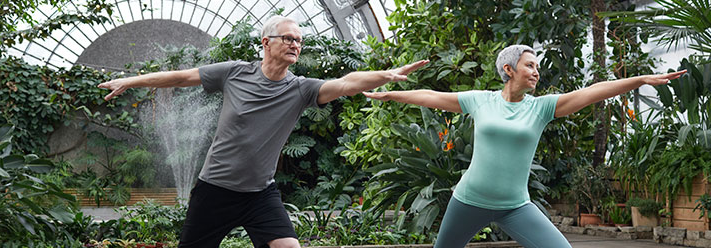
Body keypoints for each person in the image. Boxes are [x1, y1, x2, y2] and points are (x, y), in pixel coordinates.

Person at [97, 15, 428, 248]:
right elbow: (181, 77)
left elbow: (346, 83)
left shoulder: (301, 89)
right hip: (215, 191)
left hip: (260, 194)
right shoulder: (235, 73)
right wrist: (131, 80)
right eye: (288, 38)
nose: (295, 45)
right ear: (266, 42)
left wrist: (386, 73)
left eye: (299, 40)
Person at [363, 44, 686, 248]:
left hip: (515, 205)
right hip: (468, 199)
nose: (536, 71)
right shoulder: (480, 101)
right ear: (508, 69)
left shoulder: (542, 107)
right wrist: (391, 93)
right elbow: (432, 97)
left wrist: (639, 80)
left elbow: (594, 90)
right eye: (529, 65)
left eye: (537, 66)